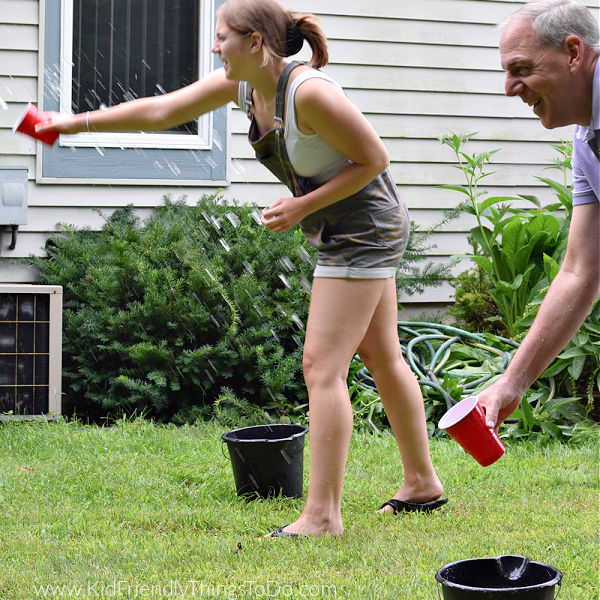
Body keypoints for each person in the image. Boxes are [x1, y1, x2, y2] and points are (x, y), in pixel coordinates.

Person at [36, 0, 445, 537]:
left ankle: (322, 515)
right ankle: (421, 483)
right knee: (381, 354)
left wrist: (302, 205)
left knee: (322, 367)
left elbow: (376, 160)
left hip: (364, 230)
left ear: (256, 43)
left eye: (223, 36)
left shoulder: (309, 93)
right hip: (346, 226)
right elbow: (163, 110)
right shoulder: (247, 87)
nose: (213, 45)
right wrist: (69, 123)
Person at [478, 0, 599, 429]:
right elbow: (580, 270)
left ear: (573, 53)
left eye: (521, 69)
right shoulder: (587, 142)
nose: (510, 87)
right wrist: (514, 380)